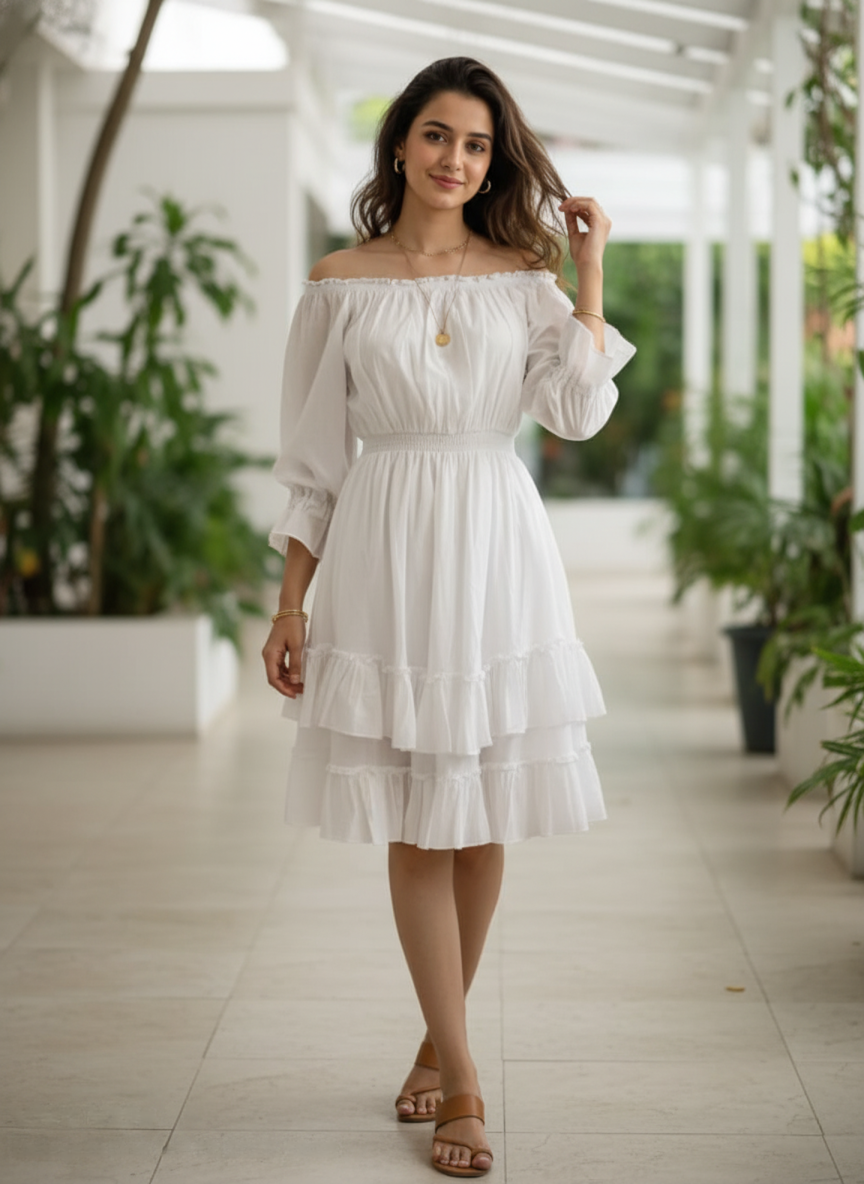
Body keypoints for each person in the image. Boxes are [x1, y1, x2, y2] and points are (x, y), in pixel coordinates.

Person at [262, 56, 635, 1179]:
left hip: (495, 540)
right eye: (436, 136)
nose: (455, 160)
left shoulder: (522, 277)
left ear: (492, 160)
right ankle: (464, 1082)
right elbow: (313, 461)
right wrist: (291, 600)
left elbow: (572, 410)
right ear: (400, 145)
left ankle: (439, 1031)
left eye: (475, 145)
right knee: (417, 819)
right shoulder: (338, 281)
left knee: (479, 816)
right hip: (384, 540)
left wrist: (589, 270)